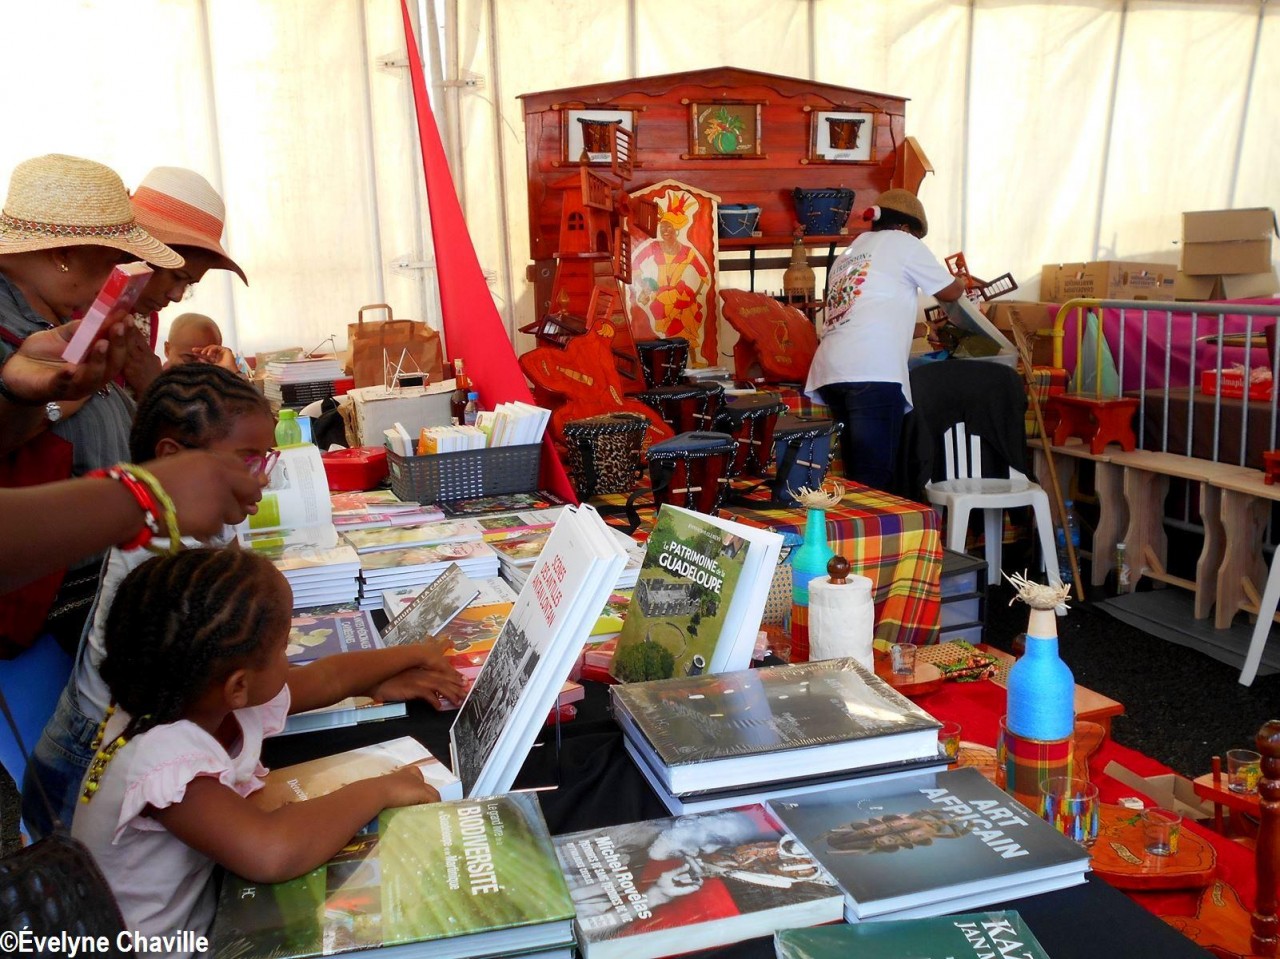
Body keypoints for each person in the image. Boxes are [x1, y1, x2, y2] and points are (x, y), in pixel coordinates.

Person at [71, 548, 464, 951]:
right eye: (282, 647)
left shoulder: (186, 695)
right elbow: (273, 851)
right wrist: (381, 789)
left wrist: (407, 659)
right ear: (238, 686)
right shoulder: (165, 761)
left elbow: (326, 678)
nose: (289, 657)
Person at [23, 363, 277, 837]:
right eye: (247, 460)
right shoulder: (160, 554)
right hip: (86, 766)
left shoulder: (188, 526)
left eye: (267, 460)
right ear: (172, 457)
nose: (260, 479)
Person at [0, 154, 185, 648]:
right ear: (64, 255)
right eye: (114, 262)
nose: (121, 278)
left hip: (92, 586)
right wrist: (51, 402)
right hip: (48, 606)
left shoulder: (53, 316)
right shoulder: (15, 327)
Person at [804, 189, 964, 492]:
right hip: (871, 373)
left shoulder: (852, 251)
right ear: (905, 227)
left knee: (858, 473)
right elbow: (950, 292)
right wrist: (962, 282)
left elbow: (866, 315)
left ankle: (855, 521)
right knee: (875, 479)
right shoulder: (903, 242)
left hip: (833, 371)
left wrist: (923, 330)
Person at [119, 167, 249, 395]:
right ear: (141, 252)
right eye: (177, 277)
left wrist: (152, 385)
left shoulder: (146, 314)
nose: (177, 296)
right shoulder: (85, 307)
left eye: (188, 285)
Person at [630, 190, 711, 361]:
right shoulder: (654, 247)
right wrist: (643, 285)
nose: (664, 230)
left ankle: (692, 361)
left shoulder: (688, 252)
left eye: (668, 227)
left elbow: (704, 275)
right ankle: (671, 364)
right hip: (660, 296)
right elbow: (635, 263)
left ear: (677, 229)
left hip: (682, 295)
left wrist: (696, 294)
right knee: (670, 330)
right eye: (662, 227)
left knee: (687, 326)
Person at [161, 311, 240, 373]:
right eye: (189, 359)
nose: (200, 367)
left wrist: (232, 373)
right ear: (167, 350)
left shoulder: (218, 377)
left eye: (209, 361)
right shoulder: (158, 382)